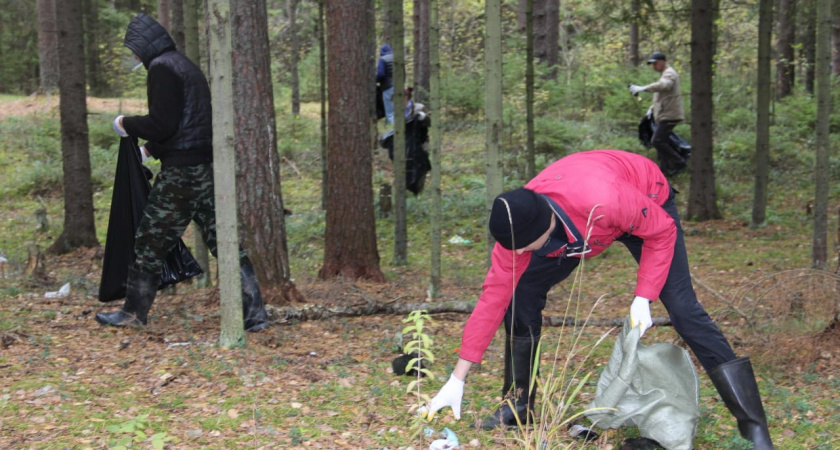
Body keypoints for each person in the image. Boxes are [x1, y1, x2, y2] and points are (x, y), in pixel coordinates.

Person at [425, 150, 774, 449]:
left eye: (523, 248)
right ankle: (518, 405)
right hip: (581, 226)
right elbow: (492, 301)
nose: (517, 254)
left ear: (544, 228)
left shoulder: (604, 199)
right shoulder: (518, 233)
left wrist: (644, 297)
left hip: (645, 204)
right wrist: (458, 377)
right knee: (519, 297)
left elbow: (662, 231)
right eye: (512, 249)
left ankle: (752, 423)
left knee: (683, 309)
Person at [97, 13, 268, 332]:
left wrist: (126, 124)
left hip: (182, 175)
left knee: (149, 240)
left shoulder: (161, 68)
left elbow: (163, 123)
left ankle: (133, 313)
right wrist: (151, 150)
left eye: (134, 51)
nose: (134, 58)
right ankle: (255, 314)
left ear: (143, 46)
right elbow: (189, 120)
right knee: (225, 241)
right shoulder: (186, 66)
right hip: (206, 169)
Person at [629, 52, 687, 177]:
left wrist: (643, 88)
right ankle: (665, 170)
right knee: (662, 140)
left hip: (670, 115)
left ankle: (679, 162)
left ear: (663, 61)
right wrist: (652, 109)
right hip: (664, 114)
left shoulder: (669, 73)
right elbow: (663, 96)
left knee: (657, 141)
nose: (654, 66)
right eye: (652, 64)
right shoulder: (664, 74)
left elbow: (664, 86)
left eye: (656, 63)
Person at [376, 44, 395, 125]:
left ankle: (392, 132)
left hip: (387, 87)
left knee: (390, 112)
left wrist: (375, 80)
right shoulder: (397, 58)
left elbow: (380, 74)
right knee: (396, 110)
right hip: (398, 87)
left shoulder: (382, 60)